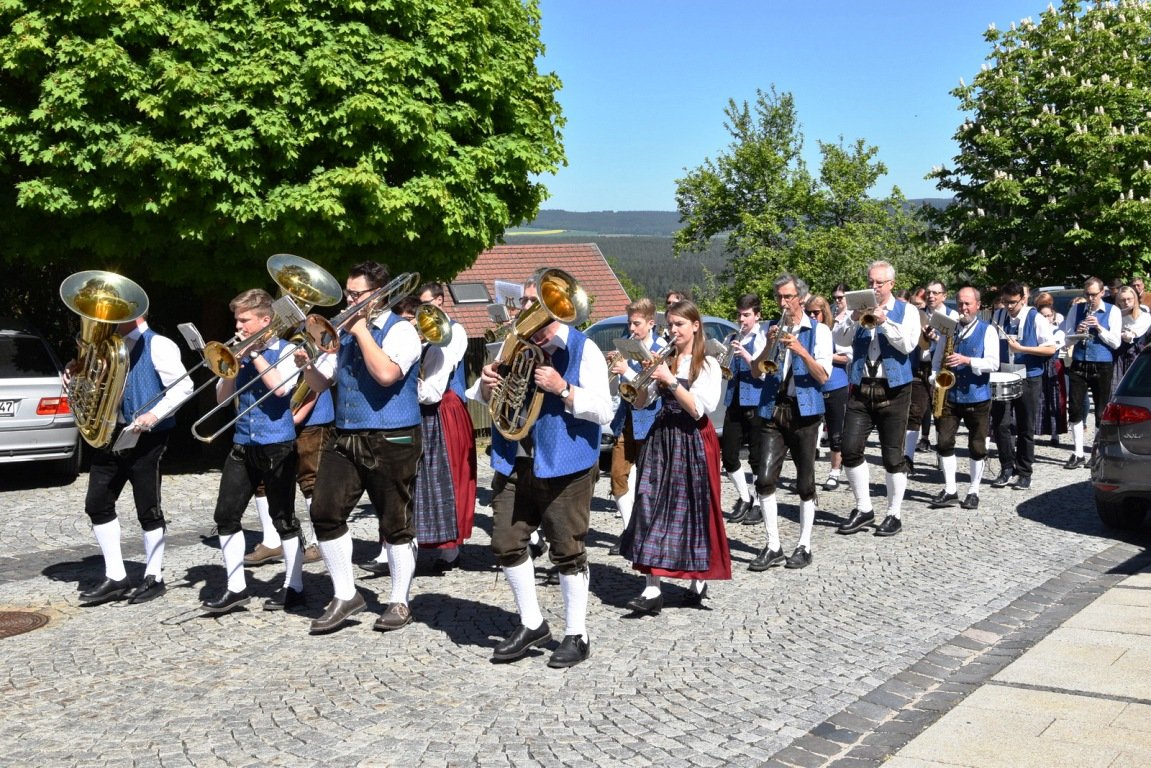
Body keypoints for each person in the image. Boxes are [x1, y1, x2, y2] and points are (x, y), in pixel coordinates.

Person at [469, 272, 612, 668]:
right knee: (505, 542)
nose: (530, 311)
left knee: (567, 551)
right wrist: (485, 385)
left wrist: (563, 389)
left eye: (539, 304)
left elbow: (604, 410)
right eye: (528, 302)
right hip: (516, 459)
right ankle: (532, 623)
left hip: (566, 464)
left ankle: (576, 633)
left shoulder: (585, 350)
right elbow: (483, 399)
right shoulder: (514, 345)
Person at [296, 262, 424, 634]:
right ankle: (345, 593)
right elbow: (323, 383)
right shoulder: (347, 333)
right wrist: (307, 367)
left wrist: (360, 330)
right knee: (324, 511)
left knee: (394, 522)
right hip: (346, 434)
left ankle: (399, 601)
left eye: (357, 294)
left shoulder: (402, 332)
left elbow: (386, 375)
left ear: (379, 294)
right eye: (348, 293)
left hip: (393, 436)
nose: (349, 300)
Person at [621, 300, 731, 612]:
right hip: (663, 436)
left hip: (693, 438)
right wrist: (641, 379)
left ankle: (698, 581)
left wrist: (669, 380)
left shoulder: (707, 364)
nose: (673, 331)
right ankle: (652, 589)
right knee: (649, 504)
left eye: (679, 325)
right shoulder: (665, 359)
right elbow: (641, 403)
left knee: (693, 509)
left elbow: (699, 409)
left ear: (695, 325)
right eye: (670, 325)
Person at [75, 314, 193, 605]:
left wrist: (154, 415)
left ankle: (154, 577)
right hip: (110, 433)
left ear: (137, 313)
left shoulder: (159, 344)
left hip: (147, 438)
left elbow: (183, 386)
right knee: (97, 504)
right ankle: (116, 576)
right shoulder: (105, 347)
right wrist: (76, 373)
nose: (104, 318)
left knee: (148, 508)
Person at [203, 289, 306, 614]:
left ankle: (295, 586)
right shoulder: (237, 353)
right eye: (237, 319)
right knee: (225, 516)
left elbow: (280, 389)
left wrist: (256, 352)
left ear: (264, 320)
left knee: (283, 518)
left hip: (278, 444)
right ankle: (236, 589)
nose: (238, 325)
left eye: (244, 320)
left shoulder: (288, 349)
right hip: (243, 443)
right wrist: (229, 368)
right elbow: (222, 400)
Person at [747, 276, 831, 572]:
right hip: (773, 408)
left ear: (801, 299)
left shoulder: (818, 331)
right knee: (765, 478)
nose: (783, 303)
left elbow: (823, 376)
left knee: (805, 482)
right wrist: (769, 344)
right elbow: (757, 372)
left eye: (788, 297)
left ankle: (804, 544)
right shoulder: (769, 328)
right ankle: (773, 545)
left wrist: (800, 349)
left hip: (804, 411)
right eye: (779, 297)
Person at [834, 260, 921, 537]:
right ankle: (864, 508)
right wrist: (852, 316)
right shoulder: (859, 310)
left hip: (894, 388)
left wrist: (883, 322)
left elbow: (908, 345)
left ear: (891, 284)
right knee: (849, 448)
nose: (874, 287)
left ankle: (894, 513)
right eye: (871, 282)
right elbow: (841, 340)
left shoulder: (907, 311)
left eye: (879, 283)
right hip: (861, 386)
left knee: (893, 455)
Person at [411, 281, 477, 570]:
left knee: (452, 475)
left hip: (446, 408)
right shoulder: (420, 334)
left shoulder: (455, 331)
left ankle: (450, 547)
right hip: (422, 409)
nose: (419, 312)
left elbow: (445, 366)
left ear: (439, 301)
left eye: (425, 304)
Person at [928, 287, 1000, 510]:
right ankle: (950, 489)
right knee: (944, 442)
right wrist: (935, 378)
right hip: (950, 394)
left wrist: (967, 361)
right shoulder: (949, 330)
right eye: (960, 304)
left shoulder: (988, 331)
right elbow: (937, 358)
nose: (963, 308)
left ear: (978, 306)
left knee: (977, 446)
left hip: (977, 395)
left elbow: (993, 363)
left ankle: (973, 490)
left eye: (968, 304)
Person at [607, 298, 666, 555]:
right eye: (630, 322)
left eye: (637, 323)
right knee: (618, 477)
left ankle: (649, 530)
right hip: (627, 418)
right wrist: (615, 366)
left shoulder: (661, 348)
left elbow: (652, 390)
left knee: (649, 481)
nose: (632, 328)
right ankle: (630, 528)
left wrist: (626, 371)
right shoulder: (629, 345)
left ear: (651, 323)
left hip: (652, 420)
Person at [988, 281, 1058, 491]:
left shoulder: (1035, 318)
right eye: (1005, 302)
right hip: (1003, 375)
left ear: (1023, 299)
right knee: (1001, 424)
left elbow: (1050, 349)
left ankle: (1025, 471)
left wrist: (1023, 348)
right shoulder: (998, 316)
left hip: (1029, 376)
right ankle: (1006, 467)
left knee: (1025, 426)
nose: (1009, 307)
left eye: (1013, 303)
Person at [1059, 277, 1121, 469]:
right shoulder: (1077, 309)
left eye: (1094, 294)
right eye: (1087, 294)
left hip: (1102, 364)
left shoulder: (1113, 311)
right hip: (1079, 362)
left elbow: (1116, 342)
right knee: (1075, 408)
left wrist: (1099, 328)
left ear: (1102, 293)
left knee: (1101, 410)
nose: (1090, 298)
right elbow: (1066, 339)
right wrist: (1077, 331)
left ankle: (1096, 451)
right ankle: (1078, 453)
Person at [718, 294, 767, 524]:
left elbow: (764, 371)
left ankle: (758, 502)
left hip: (756, 401)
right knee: (728, 456)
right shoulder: (733, 337)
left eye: (746, 315)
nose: (741, 319)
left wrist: (746, 355)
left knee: (757, 457)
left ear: (757, 316)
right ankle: (744, 497)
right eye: (739, 314)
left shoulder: (763, 337)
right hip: (734, 399)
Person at [809, 294, 851, 491]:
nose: (812, 316)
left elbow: (847, 357)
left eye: (816, 312)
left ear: (824, 312)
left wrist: (825, 355)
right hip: (813, 386)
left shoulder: (834, 329)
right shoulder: (807, 330)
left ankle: (835, 472)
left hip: (835, 385)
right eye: (809, 312)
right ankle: (807, 472)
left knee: (836, 432)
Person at [1033, 299, 1069, 445]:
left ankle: (1055, 433)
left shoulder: (1058, 330)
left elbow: (1056, 344)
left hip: (1054, 365)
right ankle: (1035, 430)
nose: (1046, 319)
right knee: (1037, 399)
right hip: (1038, 364)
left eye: (1049, 316)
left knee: (1055, 399)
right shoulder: (1035, 330)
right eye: (1043, 316)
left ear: (1053, 316)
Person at [1112, 285, 1151, 394]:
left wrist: (1121, 333)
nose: (1126, 302)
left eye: (1129, 299)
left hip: (1136, 355)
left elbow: (1131, 336)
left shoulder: (1144, 316)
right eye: (1123, 300)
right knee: (1116, 388)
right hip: (1117, 356)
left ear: (1135, 299)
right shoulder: (1115, 316)